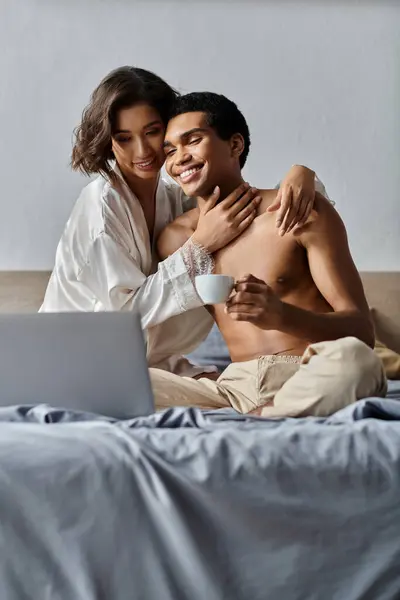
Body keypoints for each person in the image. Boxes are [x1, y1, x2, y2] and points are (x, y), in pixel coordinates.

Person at [40, 66, 328, 376]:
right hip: (75, 361)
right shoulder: (101, 209)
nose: (142, 151)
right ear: (109, 142)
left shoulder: (180, 200)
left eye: (152, 132)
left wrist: (304, 175)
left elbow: (258, 211)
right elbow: (120, 319)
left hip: (147, 365)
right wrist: (201, 246)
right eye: (124, 138)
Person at [152, 92, 387, 417]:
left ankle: (270, 414)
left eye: (192, 141)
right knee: (126, 383)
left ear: (235, 145)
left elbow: (362, 330)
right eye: (170, 151)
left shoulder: (297, 210)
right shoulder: (175, 240)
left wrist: (281, 315)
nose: (179, 158)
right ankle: (273, 412)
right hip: (234, 387)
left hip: (308, 372)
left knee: (359, 362)